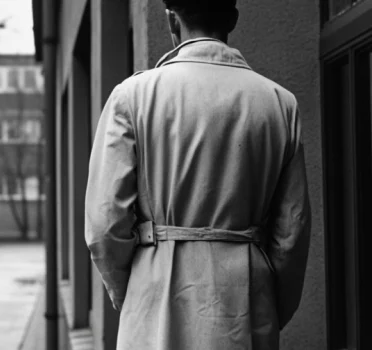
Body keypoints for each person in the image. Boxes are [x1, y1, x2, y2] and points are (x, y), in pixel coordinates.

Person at [84, 0, 312, 349]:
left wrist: (130, 290)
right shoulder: (279, 103)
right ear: (233, 19)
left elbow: (105, 225)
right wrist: (268, 301)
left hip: (155, 296)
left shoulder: (133, 96)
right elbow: (292, 232)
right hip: (246, 299)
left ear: (172, 21)